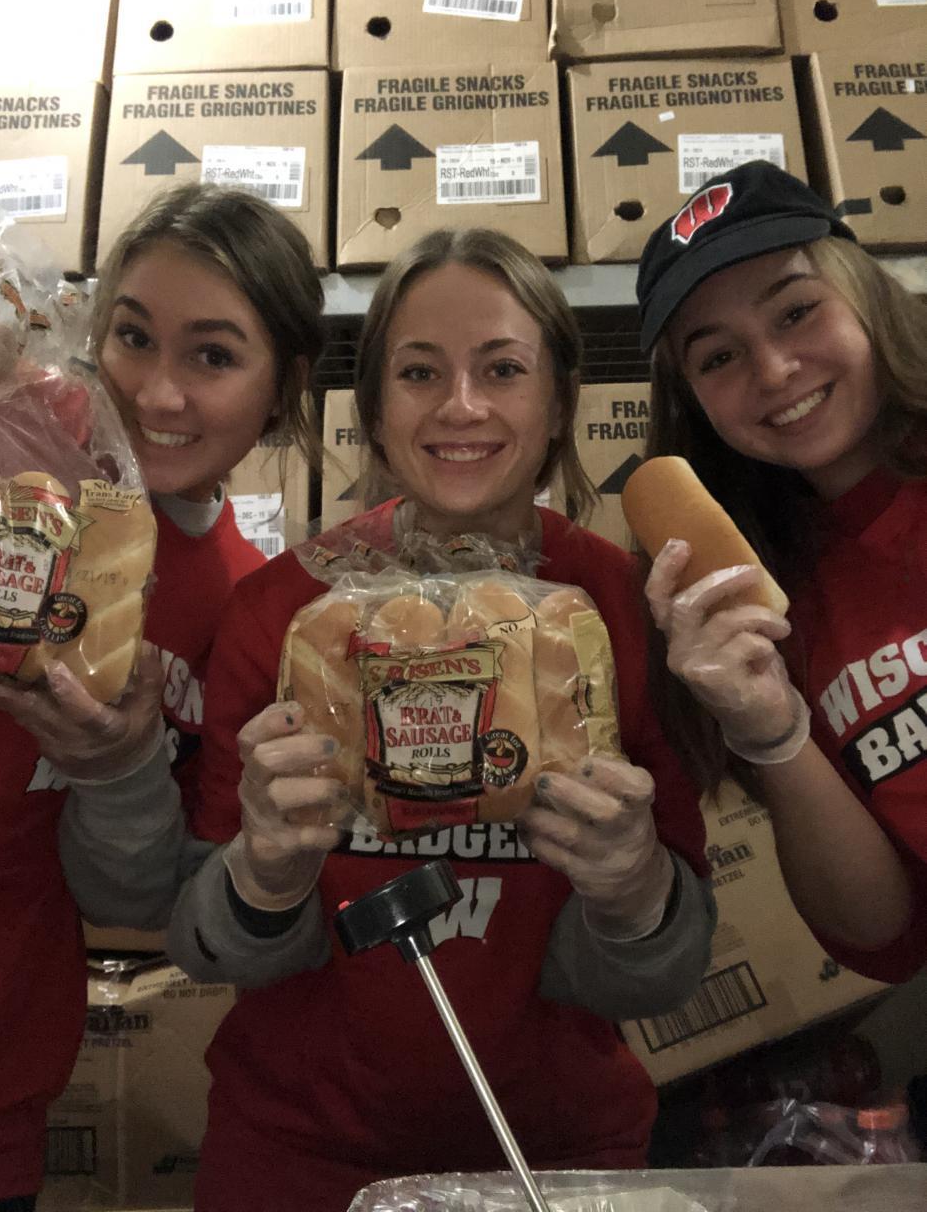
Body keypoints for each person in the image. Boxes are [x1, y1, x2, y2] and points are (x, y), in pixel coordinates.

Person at [48, 226, 715, 1210]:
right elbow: (205, 943)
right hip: (294, 1159)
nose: (460, 405)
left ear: (559, 400)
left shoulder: (616, 608)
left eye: (502, 369)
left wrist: (632, 890)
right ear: (369, 404)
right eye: (418, 371)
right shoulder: (284, 616)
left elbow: (661, 974)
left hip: (552, 1158)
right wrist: (263, 875)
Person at [0, 183, 323, 1210]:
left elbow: (141, 893)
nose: (157, 395)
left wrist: (116, 769)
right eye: (132, 338)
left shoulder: (251, 611)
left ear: (284, 387)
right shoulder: (7, 452)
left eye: (212, 355)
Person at [635, 159, 927, 984]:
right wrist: (770, 728)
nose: (772, 370)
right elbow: (881, 937)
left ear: (863, 294)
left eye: (796, 311)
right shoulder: (756, 609)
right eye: (718, 357)